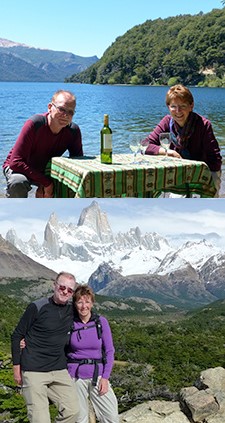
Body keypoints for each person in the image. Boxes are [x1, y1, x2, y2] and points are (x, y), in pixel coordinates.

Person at [11, 271, 80, 423]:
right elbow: (17, 336)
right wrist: (17, 368)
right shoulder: (37, 307)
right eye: (62, 287)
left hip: (58, 368)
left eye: (70, 290)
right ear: (54, 285)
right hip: (34, 369)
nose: (65, 292)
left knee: (73, 410)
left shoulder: (72, 310)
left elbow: (88, 314)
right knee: (40, 419)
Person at [142, 84, 222, 197]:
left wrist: (196, 174)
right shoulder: (166, 122)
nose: (178, 111)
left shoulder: (203, 125)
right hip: (178, 173)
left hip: (203, 172)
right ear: (168, 107)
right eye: (173, 106)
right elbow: (145, 145)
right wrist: (168, 152)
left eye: (183, 106)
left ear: (191, 106)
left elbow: (215, 160)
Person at [3, 90, 83, 198]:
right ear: (50, 107)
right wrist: (46, 182)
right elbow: (16, 162)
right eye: (61, 109)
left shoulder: (73, 131)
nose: (66, 115)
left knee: (69, 184)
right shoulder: (35, 124)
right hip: (19, 168)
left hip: (45, 171)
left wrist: (48, 181)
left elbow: (78, 162)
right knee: (18, 182)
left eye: (70, 112)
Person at [67, 285, 119, 423]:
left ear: (92, 303)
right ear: (75, 304)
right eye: (80, 302)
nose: (84, 306)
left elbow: (109, 351)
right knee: (80, 418)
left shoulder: (100, 322)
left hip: (98, 375)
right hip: (74, 377)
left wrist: (105, 378)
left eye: (87, 301)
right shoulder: (69, 323)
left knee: (111, 417)